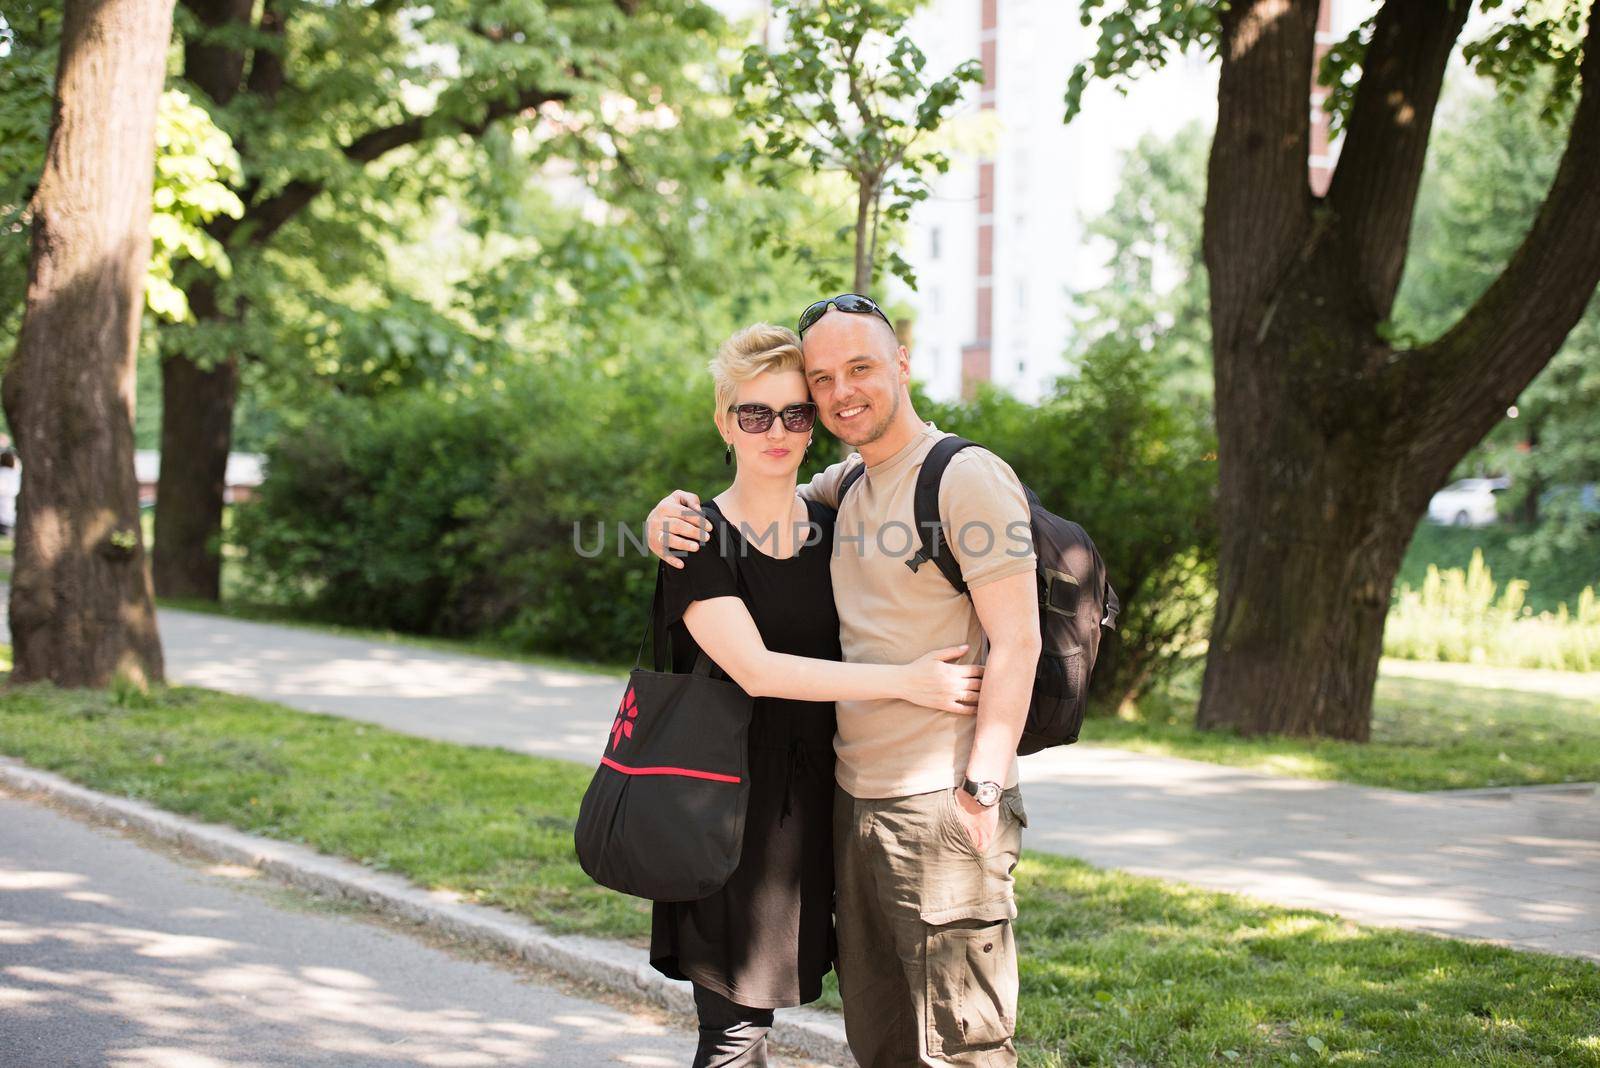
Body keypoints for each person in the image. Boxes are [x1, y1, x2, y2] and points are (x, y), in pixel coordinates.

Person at [647, 295, 1041, 1067]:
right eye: (820, 380)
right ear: (725, 418)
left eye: (857, 368)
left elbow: (1018, 642)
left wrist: (984, 790)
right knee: (884, 1042)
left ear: (900, 363)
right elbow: (761, 546)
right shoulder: (848, 488)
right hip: (843, 806)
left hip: (942, 802)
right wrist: (668, 516)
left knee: (959, 1048)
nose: (832, 397)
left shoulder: (965, 478)